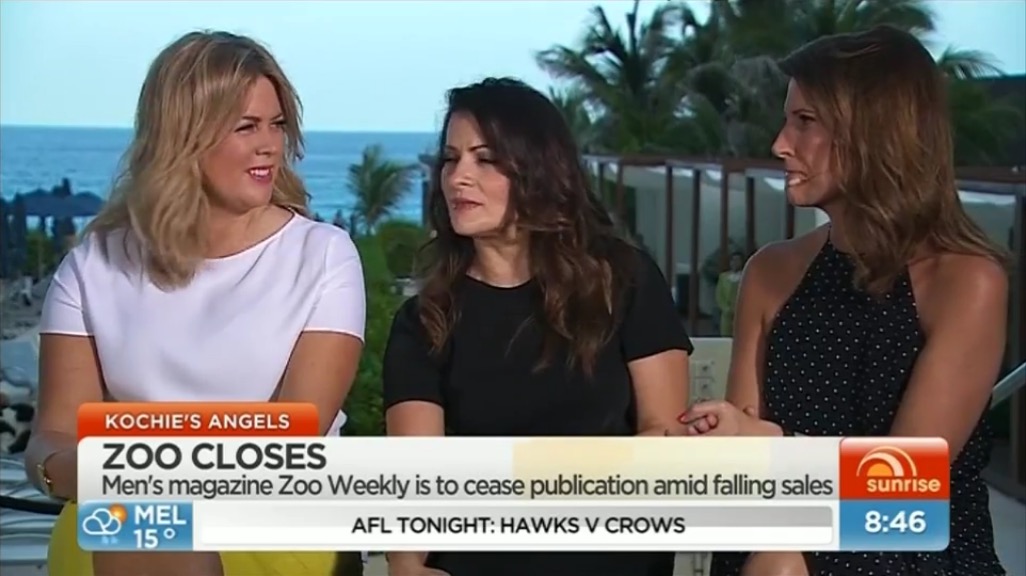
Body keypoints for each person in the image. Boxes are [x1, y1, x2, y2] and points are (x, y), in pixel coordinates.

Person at [26, 31, 367, 576]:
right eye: (246, 127)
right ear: (183, 136)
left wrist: (145, 463)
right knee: (140, 529)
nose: (270, 145)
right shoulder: (92, 266)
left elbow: (293, 438)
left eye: (277, 125)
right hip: (115, 511)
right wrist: (74, 472)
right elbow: (55, 435)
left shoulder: (323, 256)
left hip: (271, 514)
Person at [682, 25, 1009, 576]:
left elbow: (905, 484)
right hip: (776, 531)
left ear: (874, 133)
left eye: (805, 121)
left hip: (912, 544)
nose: (779, 144)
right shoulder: (771, 272)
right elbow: (741, 467)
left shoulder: (966, 282)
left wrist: (774, 443)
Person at [382, 77, 693, 576]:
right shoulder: (425, 321)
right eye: (450, 159)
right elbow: (416, 479)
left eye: (485, 159)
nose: (458, 178)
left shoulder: (623, 281)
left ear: (538, 169)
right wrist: (405, 565)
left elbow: (667, 435)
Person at [715, 251, 744, 336]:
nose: (735, 263)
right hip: (726, 313)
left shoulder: (745, 276)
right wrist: (725, 308)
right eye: (733, 260)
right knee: (725, 335)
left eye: (737, 260)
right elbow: (719, 295)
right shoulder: (723, 277)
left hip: (741, 312)